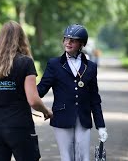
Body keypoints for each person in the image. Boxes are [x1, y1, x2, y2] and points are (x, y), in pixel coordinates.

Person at [0, 20, 53, 161]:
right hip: (20, 127)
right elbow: (33, 100)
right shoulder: (25, 62)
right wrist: (46, 111)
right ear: (21, 39)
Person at [37, 24, 108, 161]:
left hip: (83, 117)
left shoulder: (91, 67)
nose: (68, 42)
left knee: (84, 157)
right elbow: (41, 89)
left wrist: (101, 125)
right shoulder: (54, 64)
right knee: (67, 157)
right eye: (66, 39)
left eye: (73, 40)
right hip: (61, 116)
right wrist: (23, 90)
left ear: (81, 44)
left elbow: (94, 98)